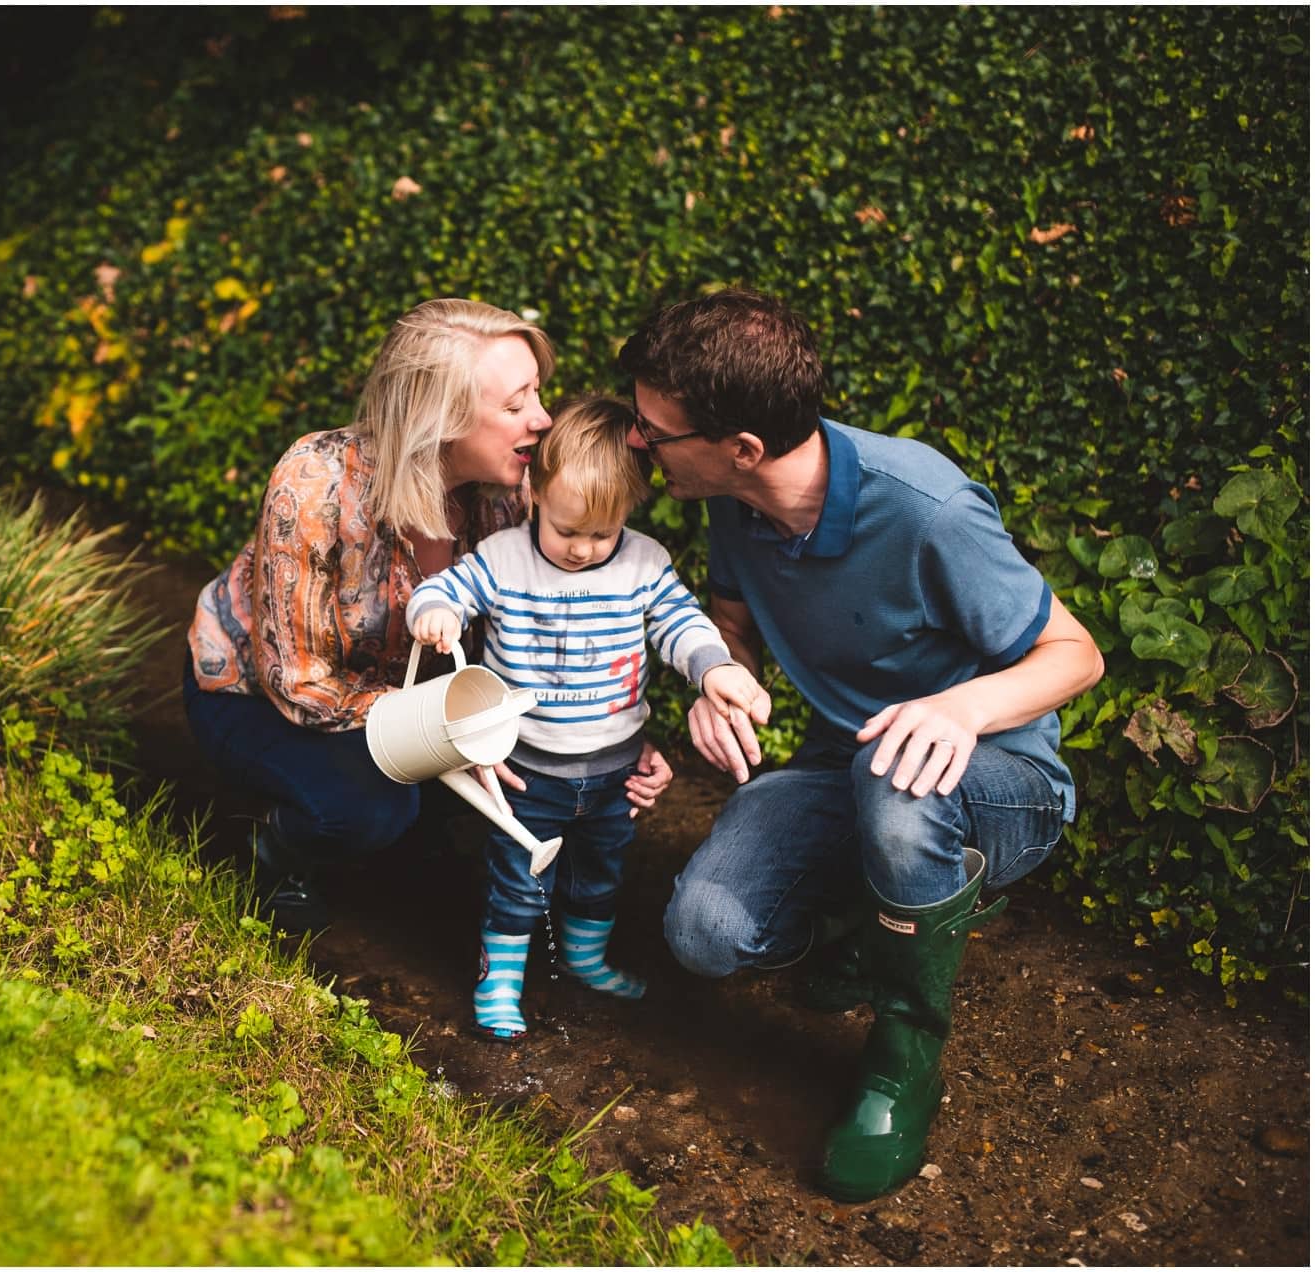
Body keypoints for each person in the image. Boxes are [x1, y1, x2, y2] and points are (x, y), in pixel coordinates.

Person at [617, 288, 1105, 1200]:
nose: (638, 445)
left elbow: (1077, 655)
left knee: (900, 782)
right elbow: (732, 620)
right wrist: (722, 678)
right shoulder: (729, 499)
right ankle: (889, 918)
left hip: (1000, 786)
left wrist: (959, 709)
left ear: (743, 447)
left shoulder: (927, 509)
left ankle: (903, 1057)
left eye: (653, 432)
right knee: (706, 937)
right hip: (847, 769)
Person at [184, 299, 676, 935]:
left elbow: (552, 628)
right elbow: (298, 685)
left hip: (418, 701)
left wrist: (610, 732)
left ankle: (418, 819)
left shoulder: (517, 491)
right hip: (258, 695)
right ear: (438, 418)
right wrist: (450, 739)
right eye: (515, 404)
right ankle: (275, 853)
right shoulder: (315, 484)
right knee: (371, 810)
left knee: (500, 787)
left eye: (537, 393)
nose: (543, 418)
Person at [405, 394, 770, 1042]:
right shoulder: (505, 557)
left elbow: (681, 624)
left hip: (612, 770)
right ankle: (499, 987)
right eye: (567, 531)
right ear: (536, 492)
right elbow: (445, 590)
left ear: (630, 512)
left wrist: (715, 668)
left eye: (601, 534)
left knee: (600, 871)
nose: (581, 549)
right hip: (525, 768)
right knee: (517, 880)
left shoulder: (643, 564)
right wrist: (434, 612)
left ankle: (585, 958)